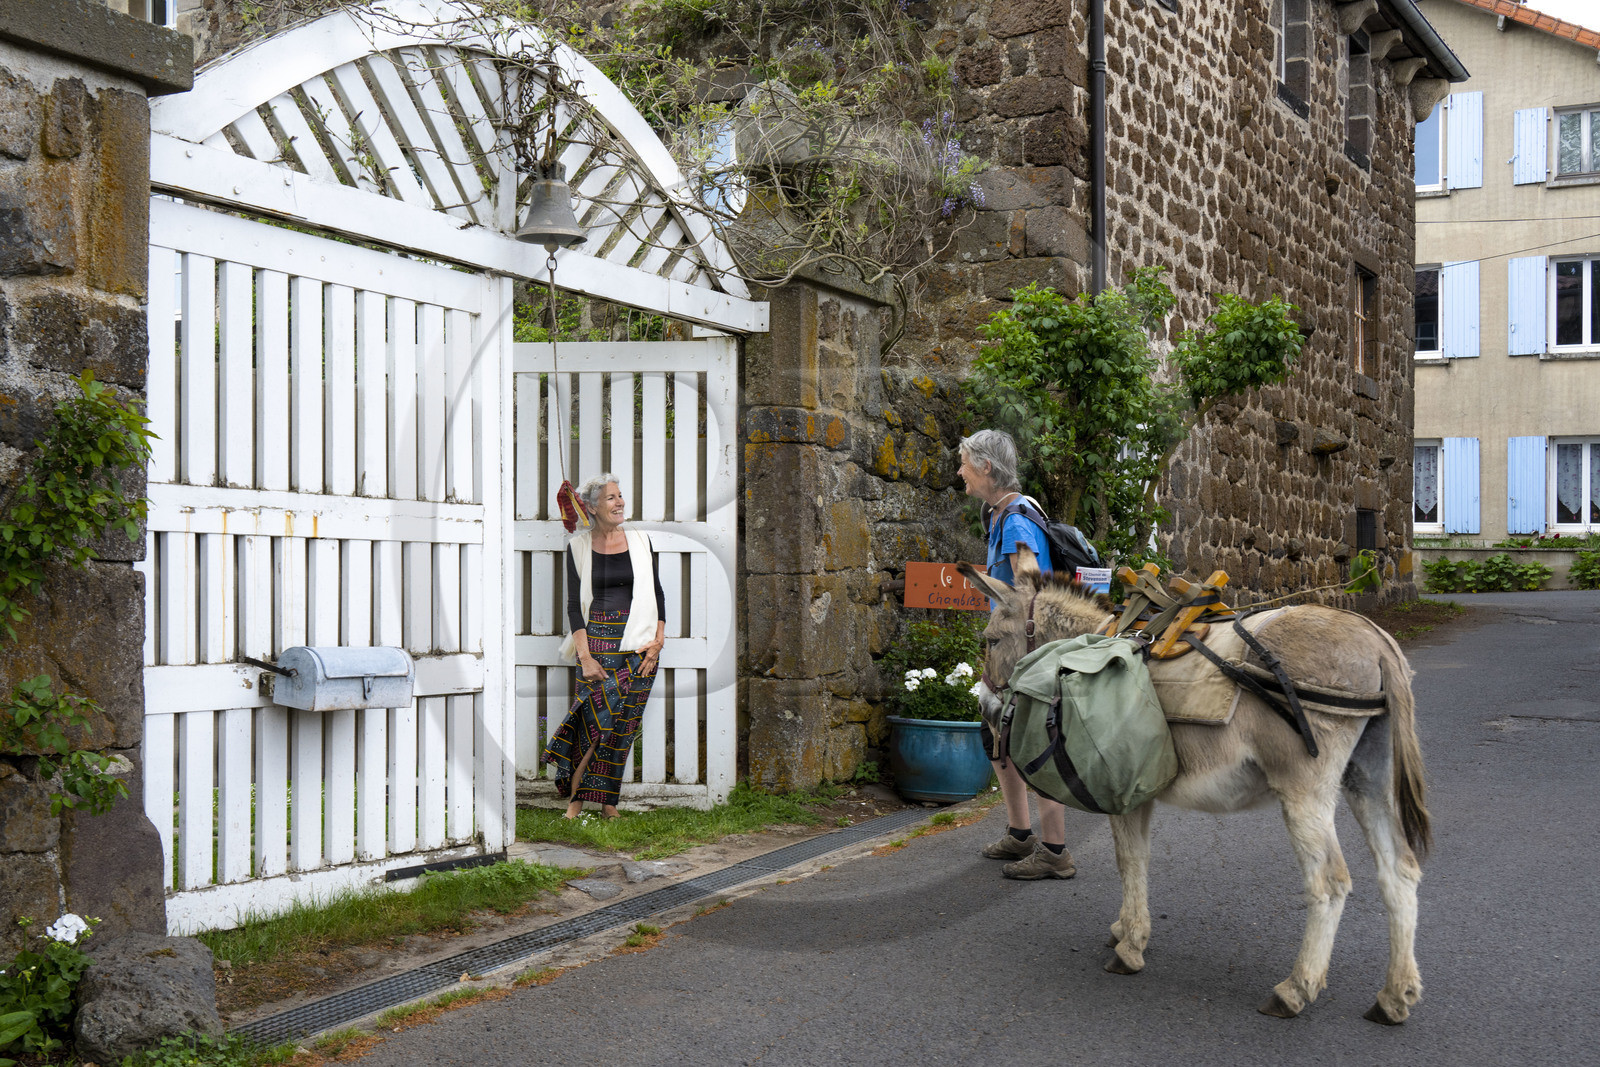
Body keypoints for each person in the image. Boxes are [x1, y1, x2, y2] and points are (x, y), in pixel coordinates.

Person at [957, 429, 1076, 880]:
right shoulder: (1001, 514)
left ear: (986, 467)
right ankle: (1021, 833)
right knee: (998, 737)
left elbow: (1027, 592)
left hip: (1024, 650)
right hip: (1011, 646)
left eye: (966, 462)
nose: (960, 471)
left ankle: (1056, 851)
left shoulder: (1017, 521)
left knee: (1034, 740)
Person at [542, 474, 667, 819]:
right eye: (611, 498)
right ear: (593, 507)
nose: (620, 503)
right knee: (592, 723)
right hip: (598, 642)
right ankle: (575, 804)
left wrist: (657, 643)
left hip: (640, 646)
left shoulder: (641, 541)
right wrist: (584, 657)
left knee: (623, 724)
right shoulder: (578, 547)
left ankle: (608, 803)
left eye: (620, 496)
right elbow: (572, 606)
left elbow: (657, 594)